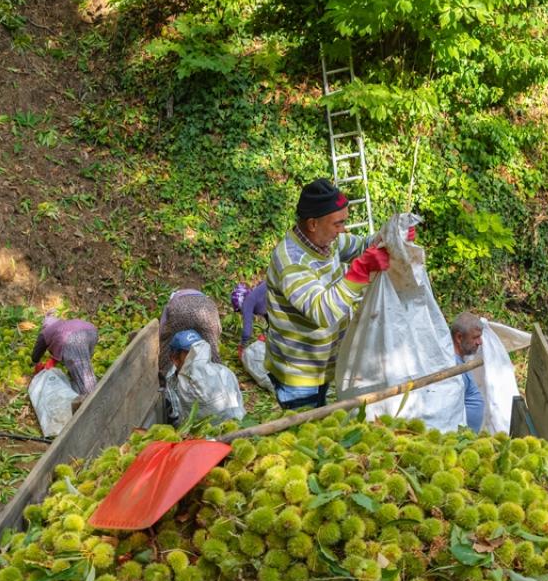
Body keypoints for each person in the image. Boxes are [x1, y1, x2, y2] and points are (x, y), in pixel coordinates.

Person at [264, 178, 389, 410]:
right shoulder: (291, 262)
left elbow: (361, 246)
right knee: (303, 434)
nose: (343, 230)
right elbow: (323, 312)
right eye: (338, 224)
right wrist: (360, 270)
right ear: (313, 224)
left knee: (321, 418)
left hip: (324, 363)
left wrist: (387, 237)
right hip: (299, 374)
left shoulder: (327, 242)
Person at [165, 330, 245, 423]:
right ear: (175, 358)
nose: (197, 357)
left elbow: (234, 408)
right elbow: (177, 415)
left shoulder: (223, 373)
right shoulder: (173, 382)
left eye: (200, 351)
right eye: (191, 354)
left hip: (232, 427)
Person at [31, 313, 100, 395]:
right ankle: (86, 388)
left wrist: (36, 362)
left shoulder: (47, 331)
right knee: (83, 367)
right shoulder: (63, 324)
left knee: (82, 375)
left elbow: (38, 348)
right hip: (91, 332)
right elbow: (59, 343)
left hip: (74, 339)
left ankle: (92, 398)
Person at [159, 289, 223, 375]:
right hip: (207, 310)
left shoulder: (173, 300)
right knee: (212, 348)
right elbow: (218, 330)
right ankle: (217, 376)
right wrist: (212, 339)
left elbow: (163, 329)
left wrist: (164, 340)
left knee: (168, 344)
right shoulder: (207, 299)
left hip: (180, 309)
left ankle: (165, 376)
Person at [451, 312, 484, 433]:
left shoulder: (461, 362)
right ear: (459, 337)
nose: (479, 342)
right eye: (475, 337)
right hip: (457, 438)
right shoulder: (452, 366)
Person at [231, 281, 268, 352]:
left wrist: (242, 346)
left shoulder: (247, 302)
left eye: (240, 311)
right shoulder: (257, 297)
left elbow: (247, 331)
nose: (242, 313)